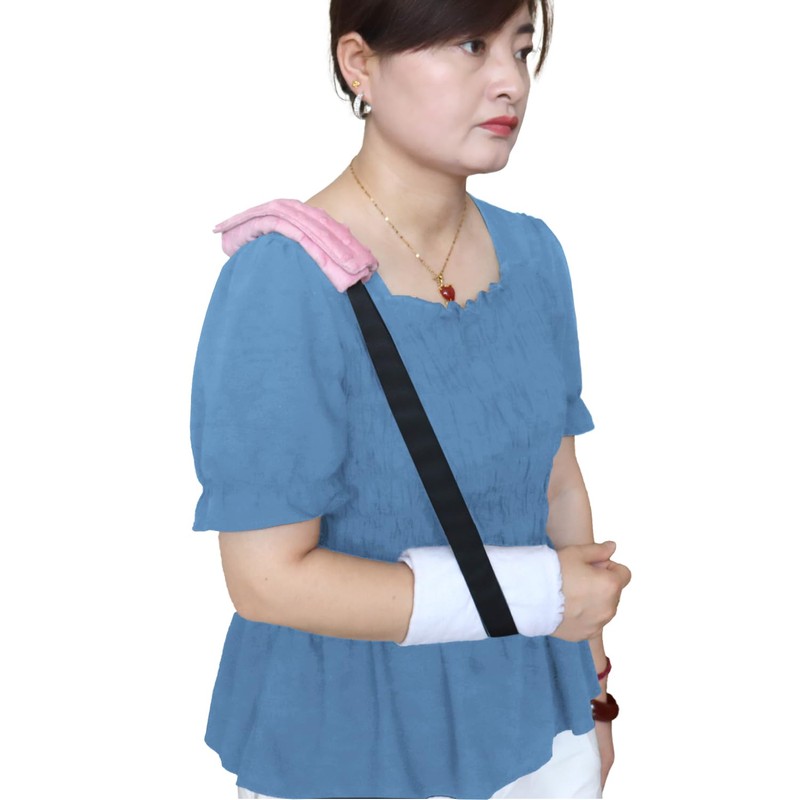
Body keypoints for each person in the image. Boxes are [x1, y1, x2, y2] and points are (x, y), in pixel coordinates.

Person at [189, 1, 632, 797]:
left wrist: (595, 695)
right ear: (360, 63)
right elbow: (266, 579)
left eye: (520, 47)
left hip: (537, 720)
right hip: (349, 743)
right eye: (470, 45)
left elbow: (558, 487)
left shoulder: (534, 255)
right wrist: (539, 596)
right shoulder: (285, 282)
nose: (509, 81)